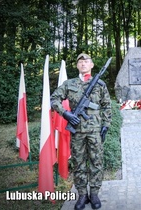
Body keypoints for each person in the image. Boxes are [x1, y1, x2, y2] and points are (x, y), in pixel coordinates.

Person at [50, 53, 112, 210]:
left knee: (96, 162)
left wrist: (106, 125)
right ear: (77, 66)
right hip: (77, 131)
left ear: (92, 65)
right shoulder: (69, 84)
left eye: (87, 61)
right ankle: (82, 195)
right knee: (78, 163)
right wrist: (65, 113)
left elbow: (106, 106)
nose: (83, 63)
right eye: (80, 62)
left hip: (95, 131)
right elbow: (54, 99)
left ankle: (95, 194)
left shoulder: (100, 84)